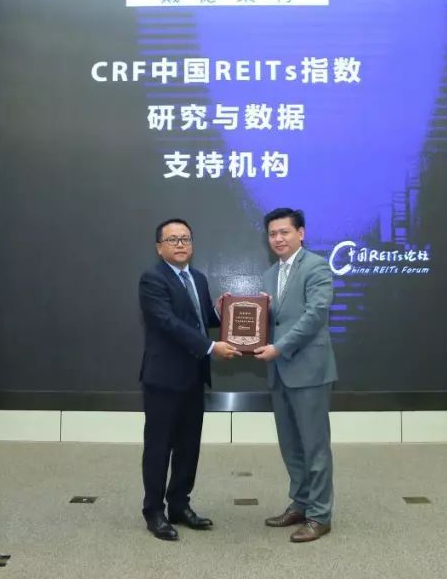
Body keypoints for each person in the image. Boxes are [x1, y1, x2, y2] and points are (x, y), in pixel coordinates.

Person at [139, 218, 239, 541]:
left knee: (188, 446)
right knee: (159, 447)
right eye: (173, 239)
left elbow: (201, 318)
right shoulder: (152, 279)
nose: (181, 244)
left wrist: (223, 312)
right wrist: (211, 347)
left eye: (185, 238)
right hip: (164, 378)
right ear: (160, 248)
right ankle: (154, 510)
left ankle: (179, 505)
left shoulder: (197, 278)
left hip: (194, 377)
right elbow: (168, 322)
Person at [252, 208, 337, 542]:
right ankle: (300, 504)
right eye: (272, 233)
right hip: (279, 372)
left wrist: (279, 348)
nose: (278, 239)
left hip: (309, 370)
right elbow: (269, 319)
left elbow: (315, 315)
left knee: (315, 447)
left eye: (284, 232)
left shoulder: (316, 266)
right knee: (291, 445)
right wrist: (230, 312)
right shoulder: (269, 274)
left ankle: (320, 515)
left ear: (301, 233)